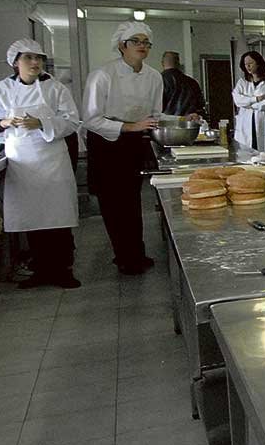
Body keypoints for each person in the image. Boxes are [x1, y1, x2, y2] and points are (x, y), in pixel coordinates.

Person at [84, 21, 197, 274]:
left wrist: (181, 119)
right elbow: (91, 119)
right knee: (113, 205)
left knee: (132, 202)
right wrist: (130, 127)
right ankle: (124, 257)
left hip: (133, 145)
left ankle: (136, 253)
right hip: (106, 144)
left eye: (146, 42)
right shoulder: (102, 75)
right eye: (136, 41)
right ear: (122, 45)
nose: (142, 46)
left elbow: (156, 115)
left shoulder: (153, 77)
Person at [0, 39, 80, 289]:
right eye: (29, 57)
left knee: (58, 217)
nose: (35, 62)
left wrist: (42, 124)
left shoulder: (56, 88)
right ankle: (41, 271)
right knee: (33, 219)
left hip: (53, 159)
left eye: (39, 58)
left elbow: (72, 122)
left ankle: (63, 270)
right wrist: (6, 122)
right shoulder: (1, 89)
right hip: (22, 161)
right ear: (15, 62)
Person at [232, 51, 265, 154]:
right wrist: (256, 99)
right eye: (245, 64)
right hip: (246, 126)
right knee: (246, 157)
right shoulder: (242, 82)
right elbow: (237, 100)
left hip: (264, 125)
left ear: (258, 63)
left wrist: (248, 104)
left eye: (250, 63)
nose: (248, 66)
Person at [160, 51, 206, 118]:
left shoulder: (158, 81)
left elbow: (154, 107)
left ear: (162, 63)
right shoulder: (192, 82)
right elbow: (200, 105)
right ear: (178, 63)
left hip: (167, 125)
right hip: (189, 124)